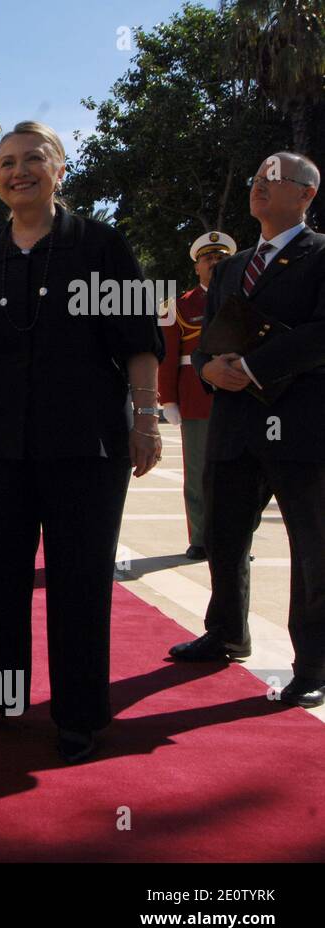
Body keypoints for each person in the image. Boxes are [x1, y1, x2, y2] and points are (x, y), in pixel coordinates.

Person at [0, 122, 164, 763]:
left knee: (79, 581)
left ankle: (78, 715)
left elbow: (138, 343)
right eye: (6, 163)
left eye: (32, 160)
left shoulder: (101, 246)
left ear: (58, 169)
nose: (18, 172)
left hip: (87, 449)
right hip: (2, 450)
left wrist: (146, 419)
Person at [171, 152, 325, 709]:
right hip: (233, 424)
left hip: (302, 425)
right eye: (256, 178)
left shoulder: (320, 254)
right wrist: (211, 371)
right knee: (225, 533)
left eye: (272, 180)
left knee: (312, 547)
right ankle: (226, 632)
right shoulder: (234, 266)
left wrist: (256, 369)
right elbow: (210, 333)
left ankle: (312, 663)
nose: (258, 186)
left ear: (306, 195)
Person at [160, 231, 235, 559]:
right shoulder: (177, 306)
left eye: (221, 258)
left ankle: (234, 540)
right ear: (197, 267)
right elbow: (168, 357)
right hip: (196, 397)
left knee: (239, 475)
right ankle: (201, 538)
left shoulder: (243, 300)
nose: (215, 263)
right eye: (209, 259)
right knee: (199, 472)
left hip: (240, 396)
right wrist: (169, 400)